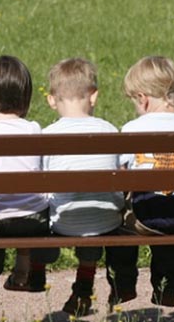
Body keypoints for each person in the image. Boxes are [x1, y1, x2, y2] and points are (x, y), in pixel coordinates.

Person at [41, 57, 138, 316]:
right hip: (106, 220)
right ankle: (94, 288)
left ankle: (73, 287)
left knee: (75, 207)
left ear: (51, 100)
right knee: (96, 207)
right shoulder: (109, 130)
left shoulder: (46, 136)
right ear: (93, 97)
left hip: (65, 223)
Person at [119, 56, 174, 308]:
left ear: (142, 99)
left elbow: (121, 174)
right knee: (173, 205)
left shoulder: (131, 129)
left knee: (125, 219)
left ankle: (124, 281)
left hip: (143, 216)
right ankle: (168, 283)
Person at [0, 56, 51, 295]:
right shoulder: (36, 130)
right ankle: (22, 271)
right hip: (37, 219)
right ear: (25, 96)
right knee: (28, 208)